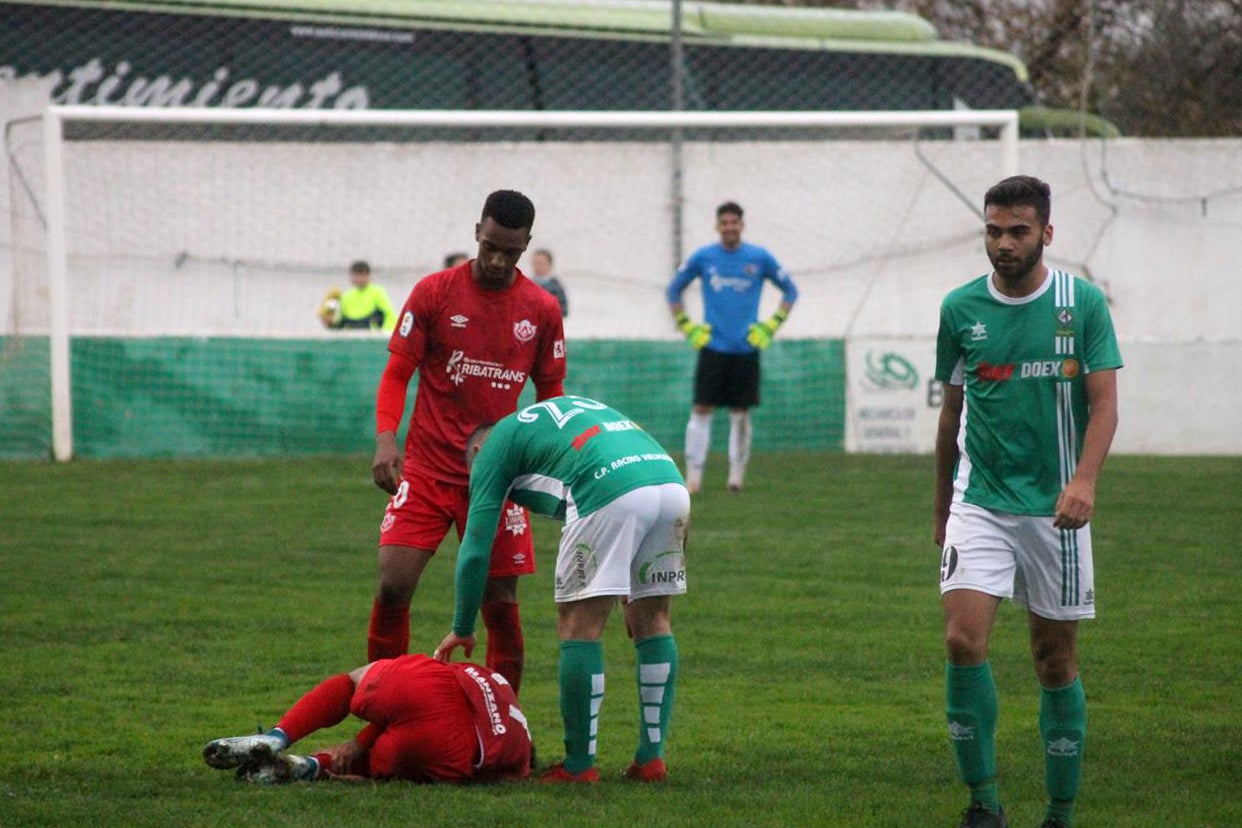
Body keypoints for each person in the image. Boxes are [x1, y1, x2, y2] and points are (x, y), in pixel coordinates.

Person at [932, 175, 1122, 828]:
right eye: (993, 230)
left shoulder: (1082, 303)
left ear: (1046, 233)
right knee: (962, 641)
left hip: (1057, 512)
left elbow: (1103, 404)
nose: (1003, 243)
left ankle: (1060, 813)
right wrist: (939, 508)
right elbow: (951, 412)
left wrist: (1085, 481)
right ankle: (983, 804)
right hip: (978, 501)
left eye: (1017, 231)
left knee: (1054, 658)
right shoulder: (960, 309)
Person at [368, 190, 567, 699]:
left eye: (512, 252)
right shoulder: (434, 293)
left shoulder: (541, 310)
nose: (499, 261)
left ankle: (506, 731)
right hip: (428, 470)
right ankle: (384, 708)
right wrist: (387, 439)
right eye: (491, 247)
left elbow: (551, 396)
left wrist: (547, 464)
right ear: (477, 231)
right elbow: (397, 372)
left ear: (526, 246)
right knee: (394, 583)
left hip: (499, 478)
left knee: (500, 601)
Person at [434, 395, 688, 784]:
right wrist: (634, 590)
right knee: (653, 620)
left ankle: (579, 767)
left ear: (477, 451)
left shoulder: (492, 448)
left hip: (607, 487)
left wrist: (462, 625)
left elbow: (475, 547)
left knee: (578, 627)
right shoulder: (547, 423)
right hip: (670, 484)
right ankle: (651, 760)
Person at [202, 654, 531, 784]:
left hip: (433, 686)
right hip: (453, 750)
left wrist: (361, 737)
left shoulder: (501, 689)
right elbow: (503, 780)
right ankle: (309, 766)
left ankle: (278, 737)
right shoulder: (516, 755)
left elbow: (426, 701)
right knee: (381, 762)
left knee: (352, 681)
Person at [665, 201, 798, 494]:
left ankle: (736, 477)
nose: (729, 227)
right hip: (712, 347)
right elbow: (673, 290)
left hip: (746, 349)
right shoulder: (704, 257)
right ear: (717, 226)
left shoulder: (759, 258)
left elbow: (791, 290)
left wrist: (771, 324)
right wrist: (687, 326)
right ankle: (694, 478)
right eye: (724, 223)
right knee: (701, 409)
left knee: (741, 413)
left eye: (734, 222)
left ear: (742, 225)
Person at [318, 260, 397, 331]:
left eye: (363, 275)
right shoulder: (346, 295)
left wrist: (385, 336)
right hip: (351, 338)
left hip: (372, 336)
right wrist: (330, 323)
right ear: (352, 277)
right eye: (357, 276)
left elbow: (389, 315)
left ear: (369, 276)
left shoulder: (377, 292)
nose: (360, 279)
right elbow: (341, 321)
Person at [529, 248, 569, 318]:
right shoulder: (525, 285)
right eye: (535, 263)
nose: (537, 267)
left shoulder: (556, 287)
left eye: (540, 263)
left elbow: (563, 310)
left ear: (549, 265)